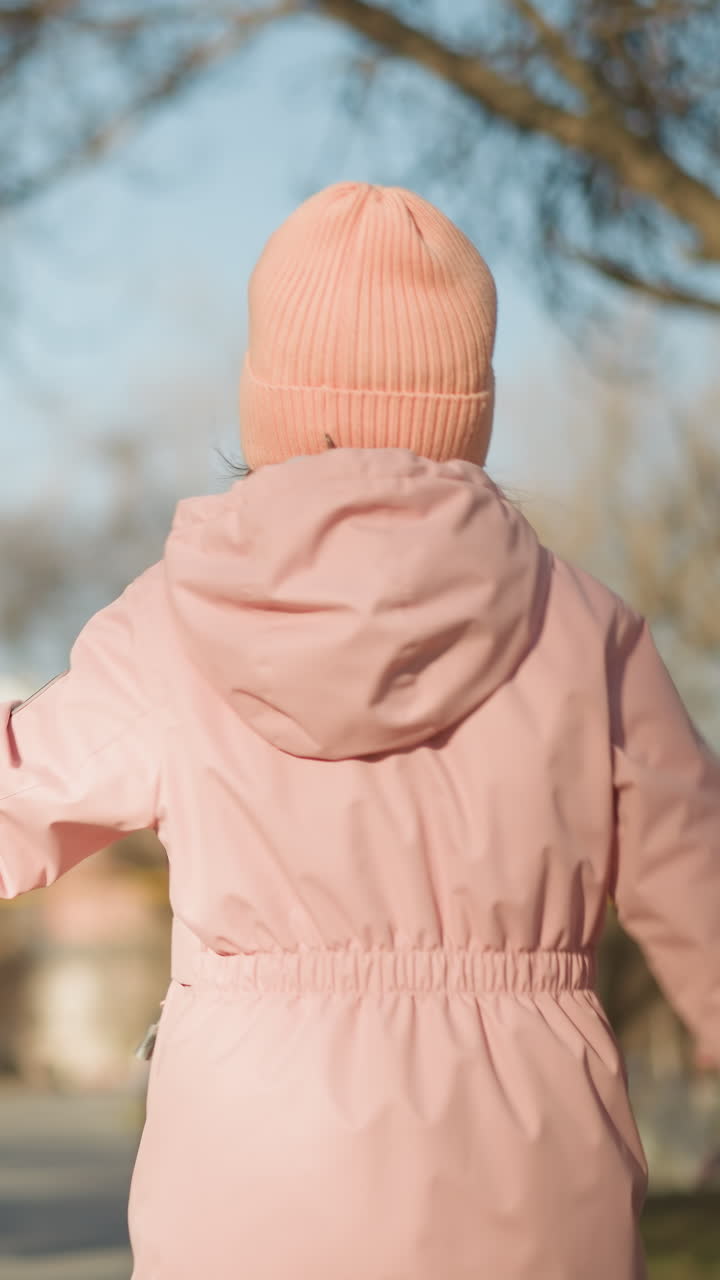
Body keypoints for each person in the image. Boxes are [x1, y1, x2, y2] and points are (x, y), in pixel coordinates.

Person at [1, 181, 718, 1280]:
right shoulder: (589, 634)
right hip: (531, 1187)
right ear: (469, 403)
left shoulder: (172, 624)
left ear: (268, 400)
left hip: (250, 1193)